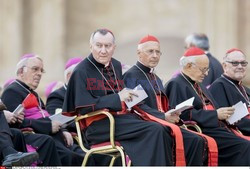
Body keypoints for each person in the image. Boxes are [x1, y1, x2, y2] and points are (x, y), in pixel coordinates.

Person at [62, 28, 185, 166]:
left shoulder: (115, 65)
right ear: (91, 46)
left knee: (161, 127)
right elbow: (84, 108)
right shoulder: (80, 71)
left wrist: (132, 96)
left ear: (114, 47)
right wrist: (118, 98)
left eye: (107, 46)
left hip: (119, 120)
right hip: (97, 126)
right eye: (99, 45)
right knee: (154, 130)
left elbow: (121, 96)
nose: (103, 50)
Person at [123, 35, 218, 166]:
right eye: (150, 51)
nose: (155, 55)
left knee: (197, 140)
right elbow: (136, 107)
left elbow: (163, 105)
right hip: (147, 127)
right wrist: (163, 116)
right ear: (139, 53)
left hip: (162, 122)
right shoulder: (131, 75)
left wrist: (173, 114)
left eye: (158, 52)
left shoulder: (156, 78)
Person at [164, 47, 250, 166]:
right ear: (189, 66)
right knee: (244, 146)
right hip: (202, 130)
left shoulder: (198, 84)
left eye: (207, 69)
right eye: (203, 69)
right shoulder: (176, 84)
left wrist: (223, 114)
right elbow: (183, 114)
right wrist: (215, 114)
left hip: (216, 128)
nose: (206, 74)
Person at [1, 54, 84, 166]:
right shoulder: (12, 91)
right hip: (36, 138)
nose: (39, 74)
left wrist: (63, 130)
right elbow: (13, 122)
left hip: (54, 137)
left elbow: (46, 116)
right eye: (35, 69)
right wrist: (48, 126)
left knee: (84, 157)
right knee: (70, 157)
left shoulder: (32, 93)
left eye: (41, 70)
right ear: (21, 72)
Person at [209, 48, 250, 135]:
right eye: (235, 63)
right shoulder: (219, 86)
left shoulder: (245, 89)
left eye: (243, 63)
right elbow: (229, 120)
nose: (240, 66)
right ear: (224, 66)